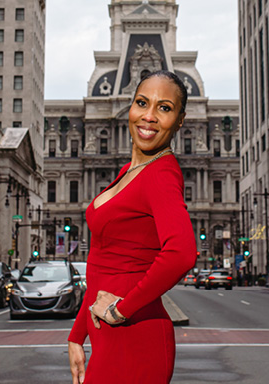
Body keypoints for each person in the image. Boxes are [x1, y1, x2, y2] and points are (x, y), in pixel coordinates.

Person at [68, 70, 197, 384]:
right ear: (131, 107)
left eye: (164, 108)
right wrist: (77, 334)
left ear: (180, 121)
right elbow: (102, 261)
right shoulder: (130, 170)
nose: (149, 116)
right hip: (108, 335)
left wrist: (121, 310)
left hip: (136, 336)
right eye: (142, 103)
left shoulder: (162, 173)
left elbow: (181, 254)